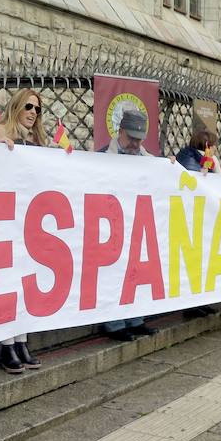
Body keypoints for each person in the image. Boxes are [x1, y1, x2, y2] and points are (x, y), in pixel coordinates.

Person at [0, 90, 47, 373]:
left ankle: (21, 340)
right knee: (7, 280)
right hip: (3, 215)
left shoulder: (38, 140)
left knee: (25, 280)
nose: (33, 112)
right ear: (16, 106)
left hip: (28, 216)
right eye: (28, 106)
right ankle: (6, 345)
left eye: (38, 109)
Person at [92, 109, 163, 339]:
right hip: (111, 225)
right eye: (131, 137)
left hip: (137, 225)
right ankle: (114, 324)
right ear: (120, 131)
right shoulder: (102, 157)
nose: (134, 143)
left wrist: (169, 167)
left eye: (138, 139)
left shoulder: (148, 161)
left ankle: (135, 319)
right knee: (113, 274)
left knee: (136, 273)